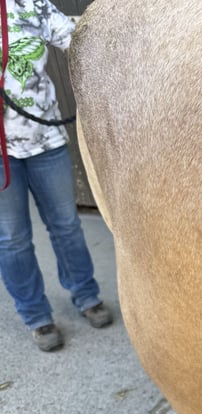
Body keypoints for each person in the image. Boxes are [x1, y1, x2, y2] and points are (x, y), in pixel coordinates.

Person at [0, 0, 111, 352]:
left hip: (46, 142)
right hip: (3, 156)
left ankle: (86, 294)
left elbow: (77, 41)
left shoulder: (28, 5)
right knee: (12, 239)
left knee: (66, 225)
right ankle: (36, 316)